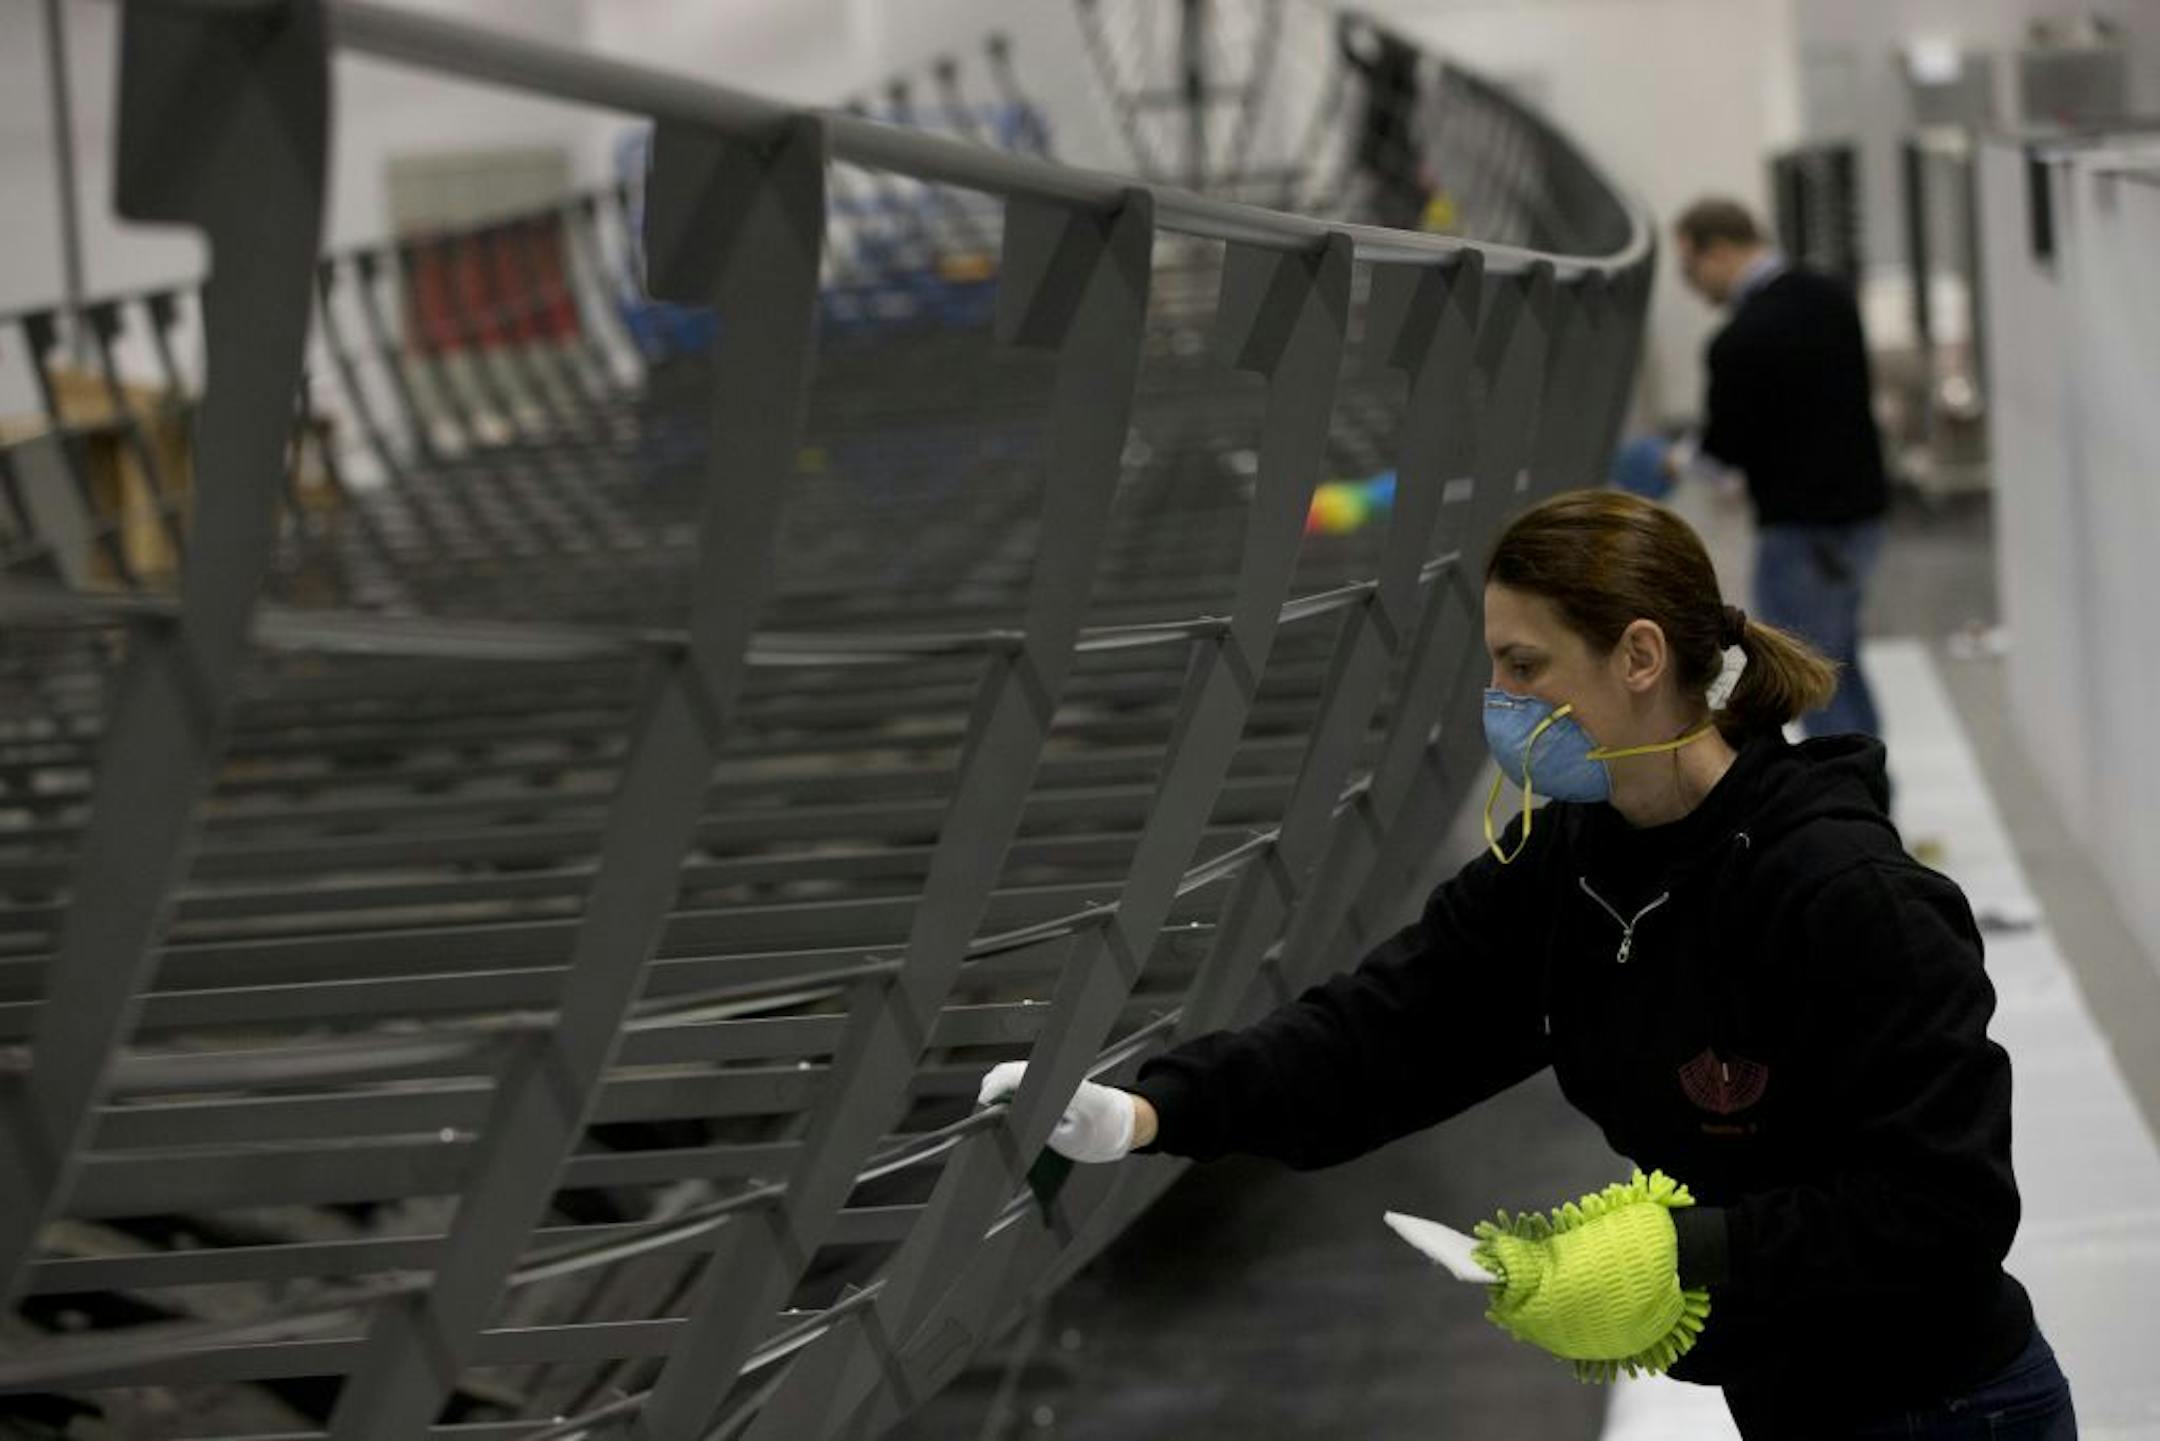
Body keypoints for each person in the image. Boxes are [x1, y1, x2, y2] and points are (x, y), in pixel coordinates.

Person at [978, 491, 2074, 1437]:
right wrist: (1155, 1110)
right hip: (1792, 1399)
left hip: (1948, 1409)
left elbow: (1947, 1206)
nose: (1501, 702)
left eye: (1523, 665)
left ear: (1640, 656)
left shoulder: (1842, 892)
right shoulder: (1579, 867)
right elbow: (1387, 1029)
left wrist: (1682, 1252)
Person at [1672, 196, 1889, 739]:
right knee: (1840, 663)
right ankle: (1871, 799)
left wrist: (1676, 460)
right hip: (1861, 518)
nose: (1693, 285)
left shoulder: (1740, 339)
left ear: (1717, 251)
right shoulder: (1832, 297)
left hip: (1801, 530)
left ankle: (1850, 810)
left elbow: (1725, 450)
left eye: (1689, 268)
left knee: (1811, 681)